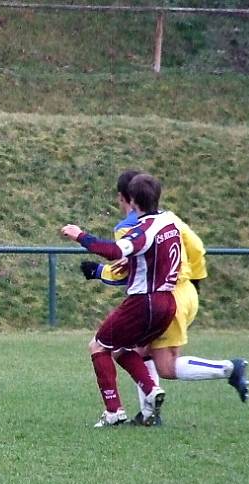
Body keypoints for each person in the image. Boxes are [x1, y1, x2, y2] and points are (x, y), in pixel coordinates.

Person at [80, 171, 249, 423]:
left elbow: (129, 272)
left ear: (125, 198)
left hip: (163, 296)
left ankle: (228, 368)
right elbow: (197, 248)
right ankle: (149, 408)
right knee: (135, 349)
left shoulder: (131, 228)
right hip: (186, 290)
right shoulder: (169, 219)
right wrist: (195, 282)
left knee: (163, 364)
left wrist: (97, 271)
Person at [61, 173, 181, 428]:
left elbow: (114, 251)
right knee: (122, 349)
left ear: (132, 200)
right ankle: (151, 390)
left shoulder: (143, 232)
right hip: (168, 302)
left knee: (97, 346)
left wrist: (80, 235)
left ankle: (114, 411)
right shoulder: (170, 221)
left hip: (143, 302)